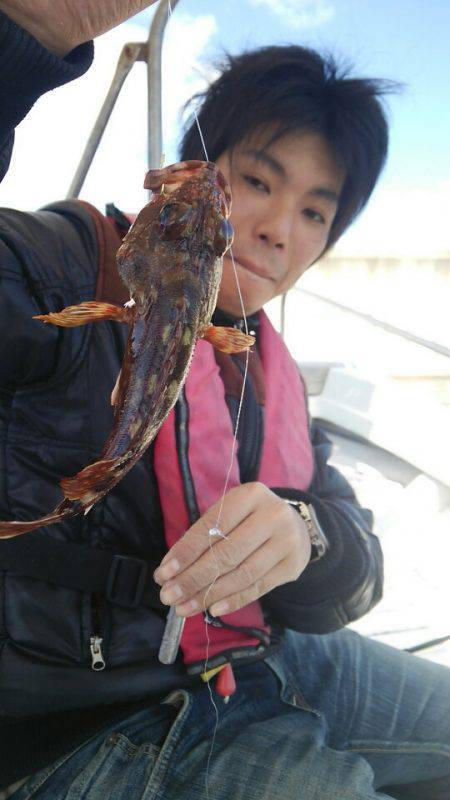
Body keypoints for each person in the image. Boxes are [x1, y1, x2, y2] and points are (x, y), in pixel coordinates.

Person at [0, 2, 449, 798]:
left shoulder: (266, 364)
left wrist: (305, 534)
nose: (280, 228)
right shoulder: (69, 263)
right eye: (255, 181)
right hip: (81, 722)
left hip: (256, 660)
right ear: (195, 175)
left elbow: (359, 564)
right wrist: (20, 43)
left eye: (317, 210)